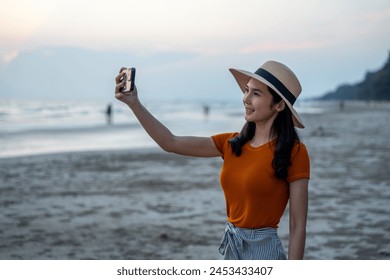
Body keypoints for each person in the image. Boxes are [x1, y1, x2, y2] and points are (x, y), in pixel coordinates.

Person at [114, 60, 310, 260]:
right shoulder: (232, 144)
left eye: (256, 93)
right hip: (231, 247)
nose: (246, 99)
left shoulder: (294, 152)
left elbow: (297, 226)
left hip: (264, 251)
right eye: (246, 90)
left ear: (278, 105)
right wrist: (134, 103)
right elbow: (170, 142)